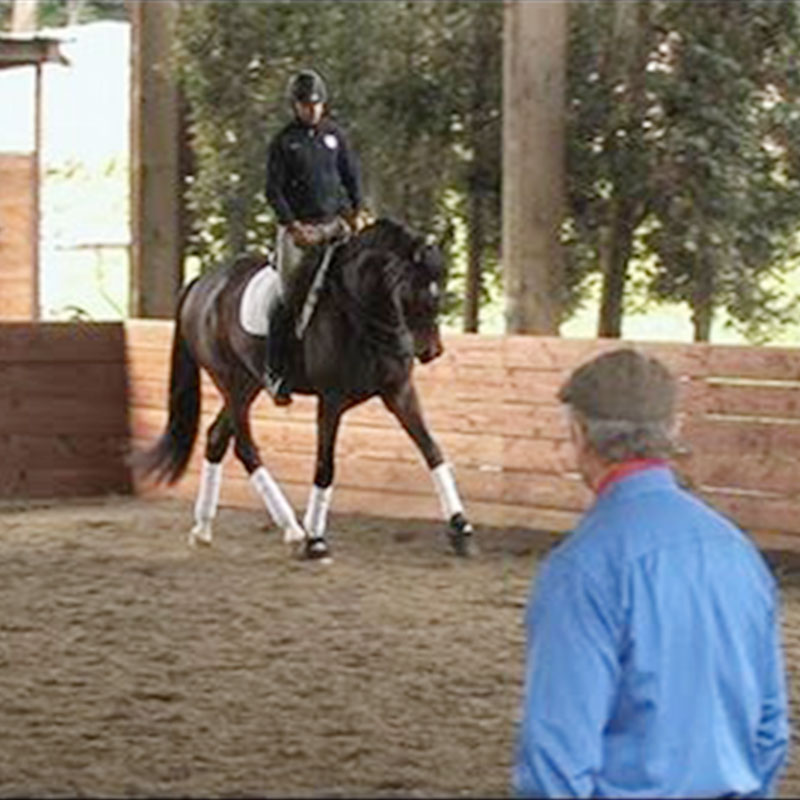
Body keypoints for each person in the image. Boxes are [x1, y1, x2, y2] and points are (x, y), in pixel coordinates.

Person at [512, 348, 789, 798]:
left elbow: (557, 756)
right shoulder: (737, 551)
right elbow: (770, 729)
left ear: (580, 435)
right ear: (672, 431)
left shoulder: (582, 569)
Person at [263, 68, 367, 404]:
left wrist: (357, 211)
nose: (312, 110)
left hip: (335, 224)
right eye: (306, 105)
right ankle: (276, 372)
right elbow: (273, 190)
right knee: (288, 295)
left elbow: (351, 176)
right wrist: (293, 226)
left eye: (317, 105)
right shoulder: (284, 142)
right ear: (295, 106)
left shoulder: (335, 136)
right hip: (300, 230)